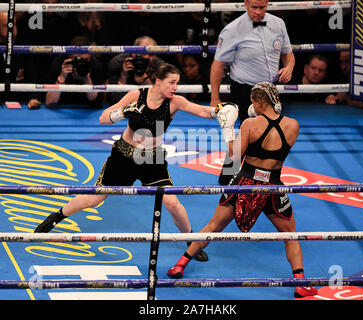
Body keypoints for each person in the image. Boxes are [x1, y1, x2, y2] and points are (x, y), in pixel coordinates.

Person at [34, 63, 239, 262]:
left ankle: (191, 241)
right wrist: (122, 113)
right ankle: (55, 217)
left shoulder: (175, 102)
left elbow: (203, 111)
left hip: (152, 158)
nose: (175, 88)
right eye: (172, 83)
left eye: (177, 83)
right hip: (124, 155)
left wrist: (220, 110)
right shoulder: (136, 95)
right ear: (158, 81)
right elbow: (103, 119)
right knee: (94, 199)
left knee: (172, 203)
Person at [167, 82, 318, 298]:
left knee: (213, 226)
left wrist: (228, 129)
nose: (251, 106)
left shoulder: (250, 124)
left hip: (245, 182)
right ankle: (300, 282)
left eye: (253, 102)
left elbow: (234, 157)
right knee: (290, 235)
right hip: (273, 186)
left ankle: (179, 265)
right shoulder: (293, 125)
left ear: (259, 101)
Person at [210, 0, 295, 185]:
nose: (258, 12)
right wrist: (214, 98)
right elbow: (218, 65)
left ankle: (266, 177)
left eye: (262, 8)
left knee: (271, 130)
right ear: (245, 4)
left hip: (270, 89)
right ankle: (228, 177)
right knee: (247, 133)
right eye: (254, 7)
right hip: (244, 90)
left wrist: (289, 67)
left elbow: (288, 53)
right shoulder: (233, 29)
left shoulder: (278, 24)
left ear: (268, 4)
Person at [44, 36, 105, 108]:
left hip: (87, 108)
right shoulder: (60, 63)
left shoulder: (95, 64)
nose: (81, 62)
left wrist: (87, 80)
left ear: (90, 55)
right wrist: (62, 78)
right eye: (77, 59)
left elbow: (97, 103)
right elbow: (49, 102)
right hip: (63, 106)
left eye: (85, 60)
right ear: (69, 56)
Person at [0, 12, 42, 109]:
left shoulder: (23, 48)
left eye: (13, 24)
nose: (11, 29)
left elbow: (32, 77)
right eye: (7, 25)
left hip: (20, 102)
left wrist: (33, 98)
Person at [106, 36, 164, 105]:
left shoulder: (159, 66)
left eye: (151, 54)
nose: (147, 57)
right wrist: (123, 76)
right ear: (134, 53)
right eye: (144, 53)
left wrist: (147, 81)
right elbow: (114, 100)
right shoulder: (118, 63)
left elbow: (160, 101)